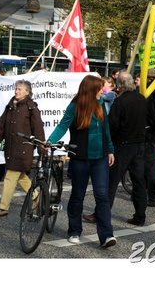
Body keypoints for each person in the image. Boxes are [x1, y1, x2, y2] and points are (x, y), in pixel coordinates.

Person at [48, 74, 117, 248]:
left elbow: (106, 129)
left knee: (102, 195)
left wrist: (110, 150)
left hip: (100, 157)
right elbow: (62, 126)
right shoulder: (74, 107)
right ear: (90, 90)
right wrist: (49, 141)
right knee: (78, 195)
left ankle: (107, 236)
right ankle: (74, 231)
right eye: (99, 89)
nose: (103, 91)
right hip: (80, 157)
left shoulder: (101, 104)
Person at [0, 79, 45, 217]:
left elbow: (38, 129)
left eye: (20, 89)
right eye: (16, 89)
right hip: (11, 148)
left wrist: (42, 147)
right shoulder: (11, 106)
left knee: (10, 176)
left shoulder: (31, 107)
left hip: (24, 149)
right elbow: (0, 127)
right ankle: (35, 195)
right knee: (20, 175)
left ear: (27, 92)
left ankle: (3, 207)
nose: (16, 91)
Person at [106, 71, 150, 224]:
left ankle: (102, 214)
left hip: (123, 144)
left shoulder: (120, 101)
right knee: (139, 181)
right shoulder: (142, 99)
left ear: (119, 86)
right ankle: (140, 216)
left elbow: (112, 125)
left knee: (112, 181)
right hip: (139, 144)